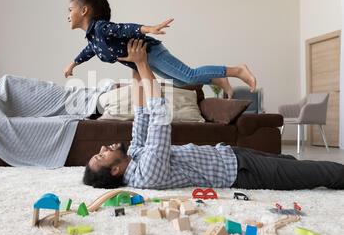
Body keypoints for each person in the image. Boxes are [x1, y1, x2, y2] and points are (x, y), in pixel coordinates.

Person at [82, 39, 344, 190]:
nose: (103, 147)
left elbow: (142, 115)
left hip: (230, 153)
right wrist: (141, 63)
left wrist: (135, 68)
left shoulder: (134, 155)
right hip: (241, 173)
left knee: (291, 161)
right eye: (101, 155)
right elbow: (159, 116)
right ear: (115, 170)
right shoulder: (146, 175)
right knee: (316, 173)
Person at [64, 0, 257, 99]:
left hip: (151, 52)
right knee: (183, 82)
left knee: (189, 75)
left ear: (84, 10)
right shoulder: (93, 39)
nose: (67, 15)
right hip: (144, 61)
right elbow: (88, 51)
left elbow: (125, 29)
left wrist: (150, 28)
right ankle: (218, 81)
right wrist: (73, 64)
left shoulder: (100, 28)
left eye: (70, 10)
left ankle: (237, 70)